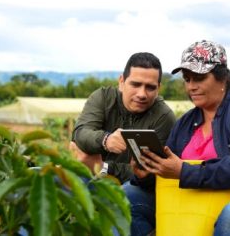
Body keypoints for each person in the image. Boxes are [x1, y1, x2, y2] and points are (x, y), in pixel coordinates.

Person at [124, 40, 230, 235]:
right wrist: (147, 174)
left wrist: (184, 171)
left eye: (199, 78)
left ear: (222, 78)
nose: (191, 87)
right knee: (127, 195)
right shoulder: (185, 123)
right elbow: (168, 178)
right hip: (193, 205)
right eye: (187, 79)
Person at [71, 52, 176, 183]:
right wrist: (106, 140)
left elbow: (151, 172)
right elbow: (80, 133)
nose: (142, 94)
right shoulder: (103, 98)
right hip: (89, 176)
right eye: (135, 84)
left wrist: (104, 168)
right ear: (121, 82)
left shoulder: (164, 117)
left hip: (133, 187)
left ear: (158, 89)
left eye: (150, 87)